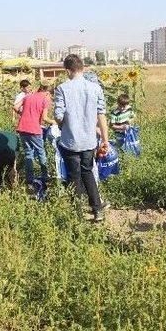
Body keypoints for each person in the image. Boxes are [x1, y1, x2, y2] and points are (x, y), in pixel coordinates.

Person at [54, 54, 109, 222]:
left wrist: (65, 125)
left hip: (70, 141)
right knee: (88, 172)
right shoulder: (95, 88)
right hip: (89, 142)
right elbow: (101, 116)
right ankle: (97, 210)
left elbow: (58, 116)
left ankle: (77, 213)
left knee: (74, 176)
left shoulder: (62, 88)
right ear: (83, 68)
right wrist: (105, 140)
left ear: (67, 70)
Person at [14, 82, 57, 185]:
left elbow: (15, 107)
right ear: (46, 92)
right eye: (50, 95)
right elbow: (45, 118)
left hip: (22, 128)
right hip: (34, 129)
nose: (50, 97)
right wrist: (55, 122)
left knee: (28, 153)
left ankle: (29, 178)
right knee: (41, 152)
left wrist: (24, 114)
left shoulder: (28, 96)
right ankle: (45, 176)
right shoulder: (44, 100)